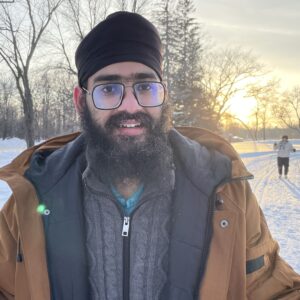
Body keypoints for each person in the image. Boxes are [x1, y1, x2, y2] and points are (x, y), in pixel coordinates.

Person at [0, 12, 299, 300]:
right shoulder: (33, 197)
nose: (130, 107)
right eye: (108, 89)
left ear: (163, 95)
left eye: (145, 87)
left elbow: (271, 288)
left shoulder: (225, 194)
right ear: (81, 101)